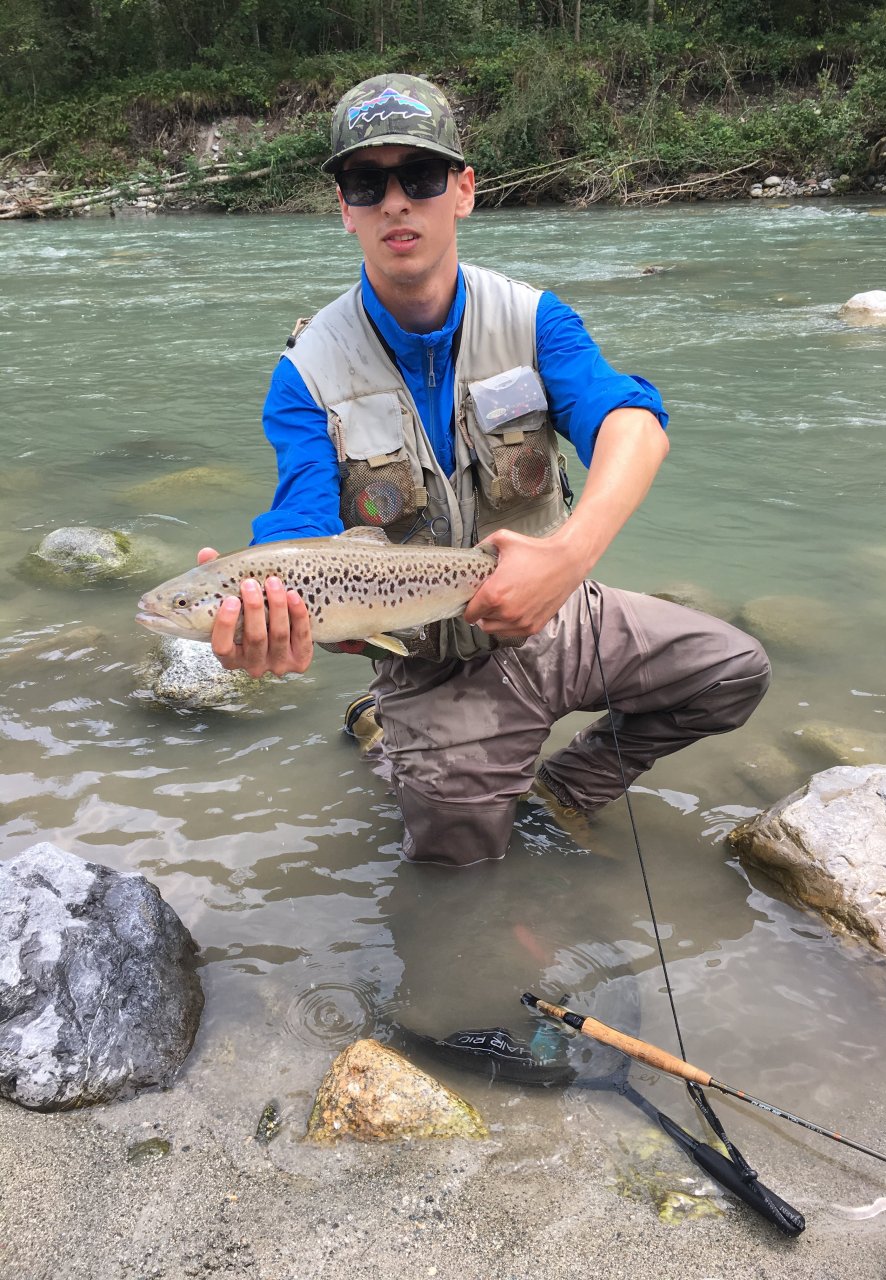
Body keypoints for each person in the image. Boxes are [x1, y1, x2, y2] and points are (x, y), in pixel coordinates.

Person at [200, 74, 770, 867]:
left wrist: (569, 557)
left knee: (733, 671)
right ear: (345, 210)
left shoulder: (537, 320)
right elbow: (301, 521)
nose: (396, 202)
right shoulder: (306, 374)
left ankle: (562, 790)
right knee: (461, 869)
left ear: (462, 191)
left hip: (564, 609)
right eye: (367, 182)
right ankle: (389, 727)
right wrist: (279, 611)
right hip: (436, 664)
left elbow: (634, 425)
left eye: (421, 178)